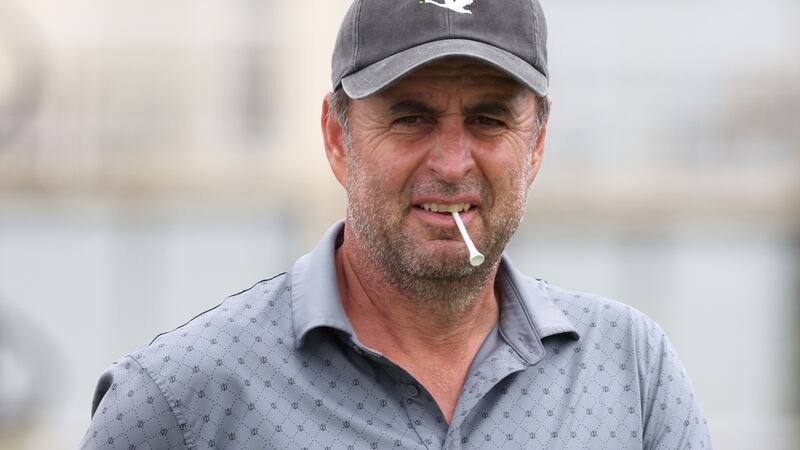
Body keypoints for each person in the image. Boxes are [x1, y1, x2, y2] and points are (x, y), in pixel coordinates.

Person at [80, 1, 713, 448]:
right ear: (337, 137)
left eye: (490, 119)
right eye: (410, 117)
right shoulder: (181, 398)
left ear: (538, 143)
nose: (452, 161)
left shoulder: (631, 373)